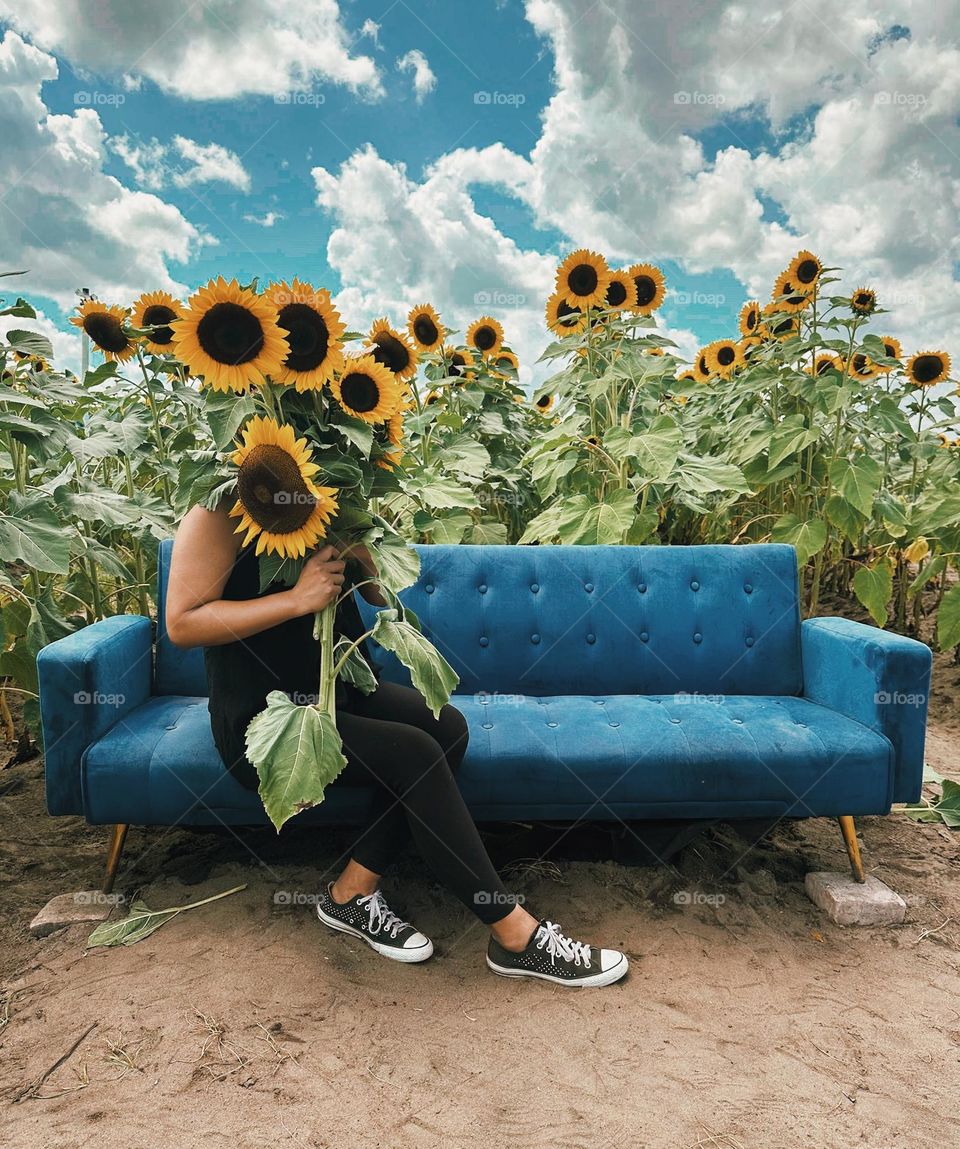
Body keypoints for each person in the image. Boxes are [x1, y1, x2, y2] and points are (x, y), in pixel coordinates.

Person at [165, 503, 629, 987]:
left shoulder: (326, 493)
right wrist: (297, 600)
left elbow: (375, 591)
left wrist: (361, 546)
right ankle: (514, 936)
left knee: (446, 728)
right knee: (414, 755)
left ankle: (350, 894)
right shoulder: (217, 510)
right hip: (265, 717)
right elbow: (182, 623)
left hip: (338, 685)